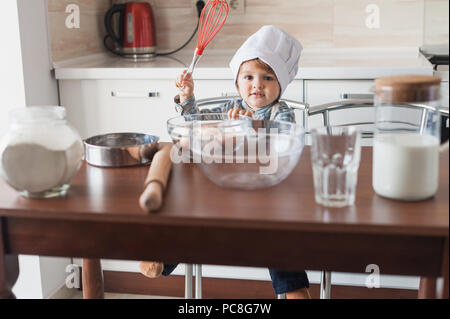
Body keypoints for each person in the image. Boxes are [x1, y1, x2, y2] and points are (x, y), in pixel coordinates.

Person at [139, 25, 311, 299]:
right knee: (192, 217)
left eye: (267, 77)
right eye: (249, 77)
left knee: (277, 237)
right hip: (225, 187)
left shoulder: (281, 112)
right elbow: (195, 123)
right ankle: (163, 257)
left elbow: (284, 141)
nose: (257, 84)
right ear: (237, 82)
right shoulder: (229, 107)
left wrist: (250, 126)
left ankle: (294, 290)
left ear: (280, 84)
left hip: (269, 192)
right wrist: (187, 97)